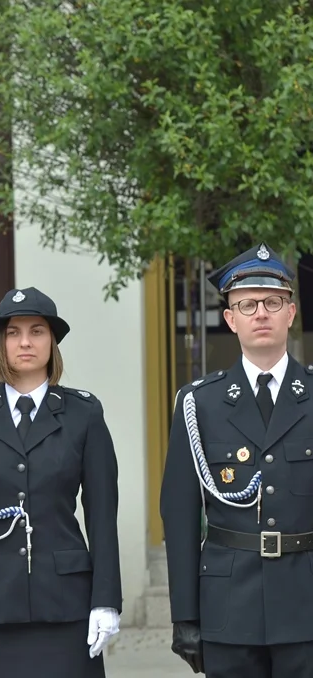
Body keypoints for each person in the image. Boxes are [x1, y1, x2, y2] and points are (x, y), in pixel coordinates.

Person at [0, 287, 122, 678]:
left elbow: (103, 515)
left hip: (67, 604)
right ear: (1, 344)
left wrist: (106, 600)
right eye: (13, 332)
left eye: (37, 331)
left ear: (52, 343)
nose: (25, 342)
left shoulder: (83, 414)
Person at [161, 243, 313, 678]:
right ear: (230, 319)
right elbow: (180, 514)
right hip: (229, 609)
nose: (261, 313)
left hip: (306, 606)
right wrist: (185, 615)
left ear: (291, 312)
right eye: (247, 305)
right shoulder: (198, 404)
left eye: (272, 302)